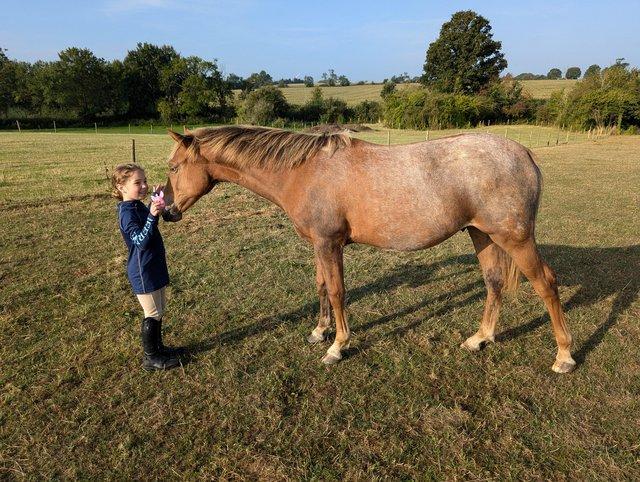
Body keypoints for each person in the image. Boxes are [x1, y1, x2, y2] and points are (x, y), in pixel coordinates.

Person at [111, 163, 183, 371]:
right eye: (137, 183)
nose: (143, 186)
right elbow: (140, 241)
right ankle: (151, 357)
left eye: (145, 181)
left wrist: (156, 203)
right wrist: (152, 214)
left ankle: (159, 349)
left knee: (159, 311)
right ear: (121, 186)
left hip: (154, 265)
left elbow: (150, 226)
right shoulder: (126, 212)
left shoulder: (137, 205)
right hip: (143, 270)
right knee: (151, 312)